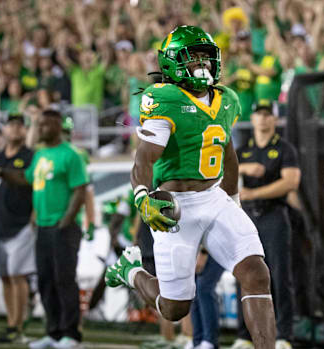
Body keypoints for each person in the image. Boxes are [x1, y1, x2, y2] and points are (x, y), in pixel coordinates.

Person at [104, 25, 276, 349]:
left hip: (214, 198)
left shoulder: (227, 99)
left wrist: (234, 199)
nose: (201, 64)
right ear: (172, 63)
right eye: (192, 57)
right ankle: (131, 272)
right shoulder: (164, 99)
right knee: (174, 308)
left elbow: (227, 151)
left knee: (257, 272)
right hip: (176, 206)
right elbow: (144, 158)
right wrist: (142, 197)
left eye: (205, 57)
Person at [0, 109, 89, 349]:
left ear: (56, 126)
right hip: (42, 227)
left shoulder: (71, 155)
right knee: (45, 281)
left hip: (62, 227)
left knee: (64, 280)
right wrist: (2, 173)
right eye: (38, 124)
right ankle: (53, 333)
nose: (38, 129)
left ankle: (71, 335)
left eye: (43, 125)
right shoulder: (41, 155)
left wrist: (66, 221)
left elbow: (80, 190)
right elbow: (27, 178)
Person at [232, 100, 301, 349]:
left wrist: (255, 194)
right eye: (258, 114)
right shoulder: (243, 150)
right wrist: (246, 167)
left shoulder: (285, 149)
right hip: (246, 218)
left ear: (274, 119)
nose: (263, 119)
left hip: (274, 215)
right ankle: (244, 335)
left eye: (267, 115)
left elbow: (290, 183)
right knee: (244, 274)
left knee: (280, 276)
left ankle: (284, 335)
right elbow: (222, 173)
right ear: (253, 119)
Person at [0, 113, 35, 343]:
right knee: (3, 276)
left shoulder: (30, 156)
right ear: (4, 131)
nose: (15, 129)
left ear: (25, 131)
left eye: (19, 125)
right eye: (11, 125)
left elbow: (31, 183)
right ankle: (11, 324)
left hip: (21, 224)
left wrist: (34, 216)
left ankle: (18, 326)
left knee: (17, 275)